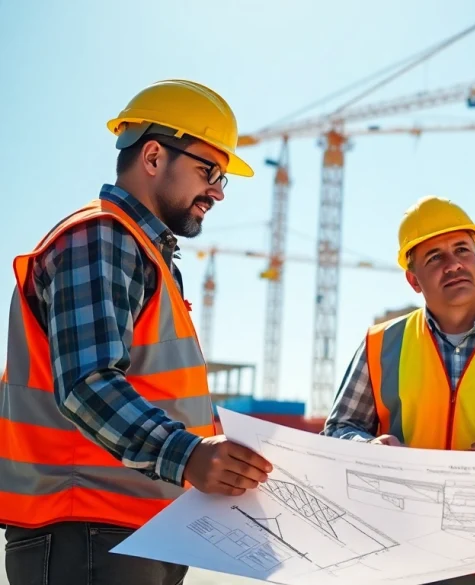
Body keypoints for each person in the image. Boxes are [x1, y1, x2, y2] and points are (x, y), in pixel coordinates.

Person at [1, 80, 274, 585]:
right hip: (87, 532)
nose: (216, 190)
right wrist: (188, 455)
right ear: (152, 156)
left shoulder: (145, 256)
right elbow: (88, 382)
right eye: (208, 169)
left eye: (223, 179)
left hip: (133, 532)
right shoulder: (99, 236)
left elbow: (162, 394)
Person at [322, 195, 475, 585]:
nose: (453, 265)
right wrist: (369, 450)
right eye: (434, 257)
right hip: (398, 557)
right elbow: (336, 432)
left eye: (462, 250)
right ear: (413, 279)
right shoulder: (381, 344)